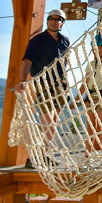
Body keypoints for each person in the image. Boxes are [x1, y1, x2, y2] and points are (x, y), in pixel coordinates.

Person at [16, 9, 71, 168]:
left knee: (52, 123)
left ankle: (42, 156)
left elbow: (65, 62)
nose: (54, 21)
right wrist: (22, 81)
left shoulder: (65, 42)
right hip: (43, 85)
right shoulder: (37, 41)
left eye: (58, 19)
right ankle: (34, 158)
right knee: (47, 122)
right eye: (51, 19)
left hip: (60, 86)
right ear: (48, 21)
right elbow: (27, 62)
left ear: (62, 22)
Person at [78, 32, 102, 160]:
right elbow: (85, 83)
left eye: (97, 47)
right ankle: (87, 157)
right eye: (93, 48)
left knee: (101, 128)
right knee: (90, 129)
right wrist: (77, 99)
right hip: (90, 98)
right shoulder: (91, 65)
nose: (95, 50)